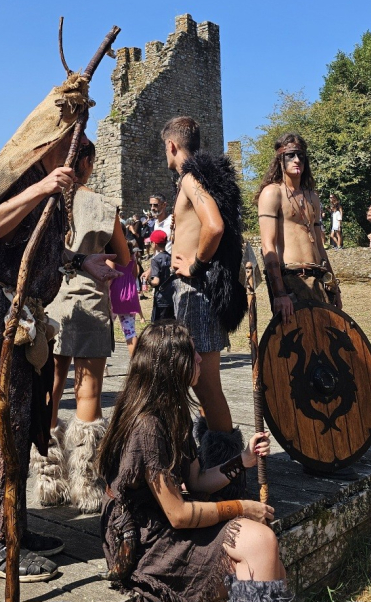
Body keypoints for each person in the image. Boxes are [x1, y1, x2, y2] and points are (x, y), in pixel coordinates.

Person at [0, 74, 121, 582]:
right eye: (69, 151)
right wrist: (43, 188)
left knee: (27, 423)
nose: (74, 163)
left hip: (27, 321)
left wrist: (78, 263)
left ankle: (15, 527)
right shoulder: (14, 177)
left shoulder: (56, 188)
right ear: (50, 145)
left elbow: (40, 250)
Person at [98, 321, 293, 602]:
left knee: (273, 565)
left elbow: (197, 480)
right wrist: (241, 508)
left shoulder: (173, 412)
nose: (200, 357)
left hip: (166, 524)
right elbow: (178, 514)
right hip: (146, 542)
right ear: (172, 365)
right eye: (192, 353)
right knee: (261, 542)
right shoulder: (147, 426)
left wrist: (244, 459)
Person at [30, 140, 129, 514]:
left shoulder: (45, 202)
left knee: (50, 390)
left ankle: (47, 480)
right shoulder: (104, 206)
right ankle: (86, 485)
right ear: (88, 163)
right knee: (88, 393)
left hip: (52, 302)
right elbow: (123, 256)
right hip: (90, 303)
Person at [161, 116, 247, 434]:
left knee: (207, 389)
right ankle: (213, 463)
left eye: (164, 148)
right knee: (198, 386)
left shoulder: (190, 180)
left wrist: (195, 266)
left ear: (171, 145)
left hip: (197, 291)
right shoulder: (200, 177)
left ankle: (225, 468)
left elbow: (214, 226)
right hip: (194, 291)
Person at [256, 133, 342, 327]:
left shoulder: (313, 197)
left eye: (301, 156)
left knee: (326, 345)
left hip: (319, 279)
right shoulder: (272, 193)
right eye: (291, 155)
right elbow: (267, 246)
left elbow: (320, 247)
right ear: (280, 159)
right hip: (290, 280)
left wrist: (333, 286)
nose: (297, 160)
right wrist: (279, 293)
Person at [110, 241, 144, 357]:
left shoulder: (114, 258)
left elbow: (111, 275)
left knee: (106, 329)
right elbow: (134, 275)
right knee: (130, 332)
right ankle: (136, 363)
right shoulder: (132, 261)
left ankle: (103, 366)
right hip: (130, 295)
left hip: (115, 294)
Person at [149, 229, 174, 321]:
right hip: (172, 298)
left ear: (154, 244)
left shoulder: (155, 260)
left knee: (159, 326)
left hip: (161, 299)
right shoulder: (171, 257)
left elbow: (156, 281)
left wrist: (149, 280)